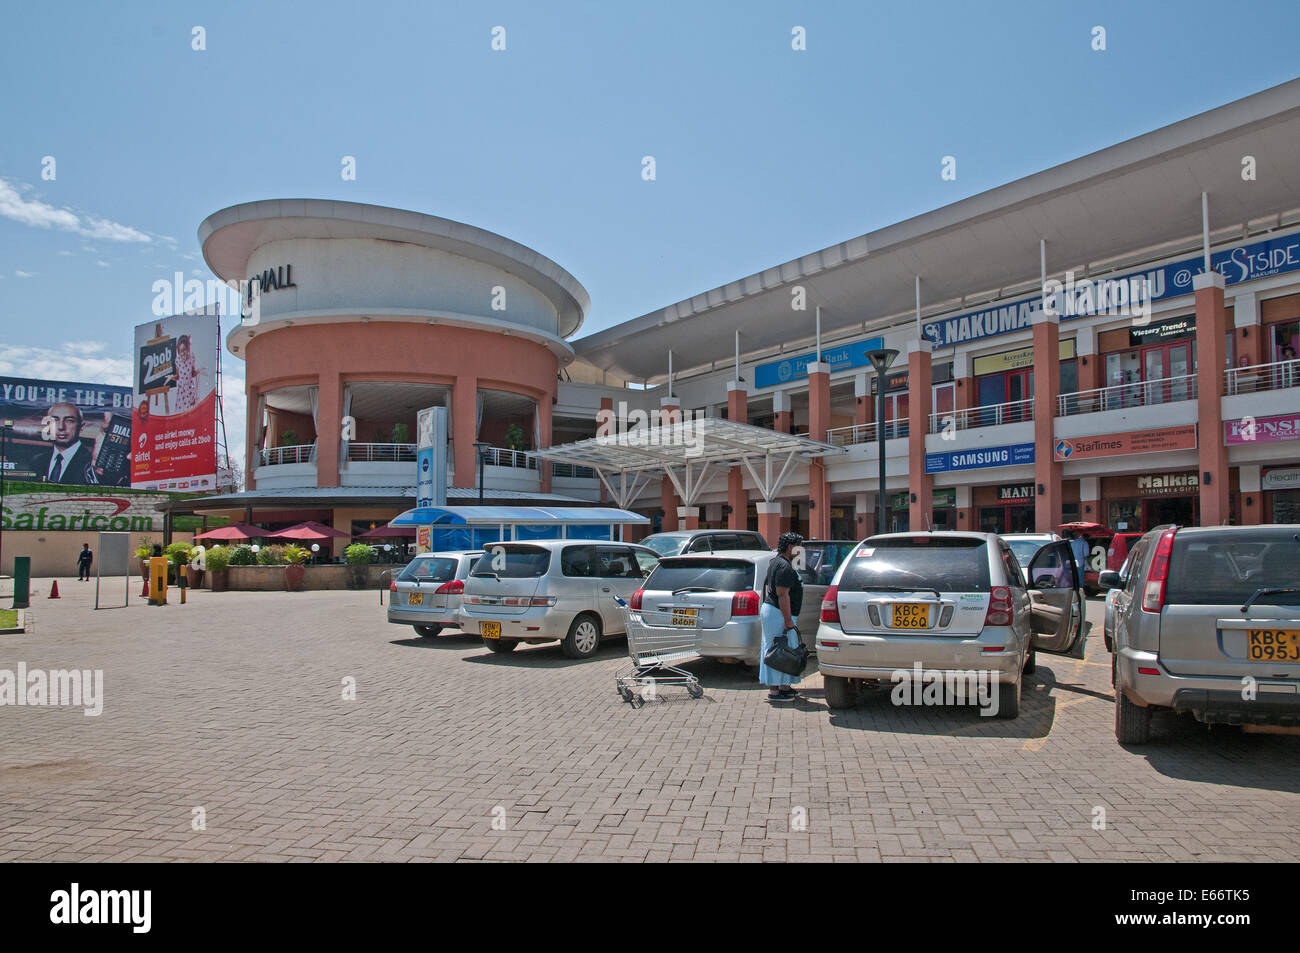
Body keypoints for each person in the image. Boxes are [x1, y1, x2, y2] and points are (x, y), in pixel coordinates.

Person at [759, 531, 805, 701]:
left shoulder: (779, 562)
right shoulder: (784, 566)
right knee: (778, 650)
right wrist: (787, 620)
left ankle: (784, 686)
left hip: (778, 612)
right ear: (791, 547)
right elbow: (782, 595)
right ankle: (775, 691)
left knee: (785, 649)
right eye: (799, 547)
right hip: (778, 613)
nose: (801, 551)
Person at [31, 402, 96, 485]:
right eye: (55, 420)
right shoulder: (37, 461)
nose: (61, 427)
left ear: (81, 427)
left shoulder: (92, 463)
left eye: (69, 421)